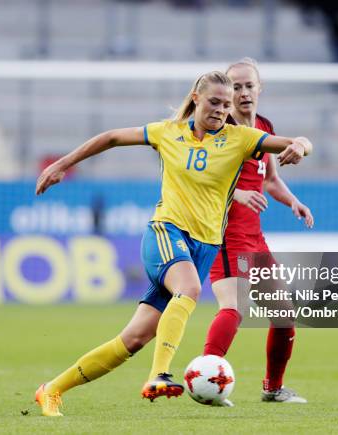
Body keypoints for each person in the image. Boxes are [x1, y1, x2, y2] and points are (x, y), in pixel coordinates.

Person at [34, 71, 313, 416]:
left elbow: (296, 141)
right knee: (191, 289)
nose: (221, 110)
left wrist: (300, 145)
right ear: (196, 98)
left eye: (226, 105)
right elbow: (111, 137)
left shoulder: (240, 138)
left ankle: (52, 390)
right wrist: (63, 164)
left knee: (133, 339)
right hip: (166, 233)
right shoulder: (168, 132)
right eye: (214, 102)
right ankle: (158, 375)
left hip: (202, 248)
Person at [202, 58, 313, 406]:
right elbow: (199, 179)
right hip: (224, 234)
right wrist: (236, 193)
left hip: (254, 238)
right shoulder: (221, 130)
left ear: (260, 88)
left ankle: (273, 388)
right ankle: (205, 379)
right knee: (233, 310)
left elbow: (270, 179)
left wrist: (293, 200)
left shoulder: (263, 127)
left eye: (249, 85)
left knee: (284, 316)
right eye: (236, 87)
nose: (243, 92)